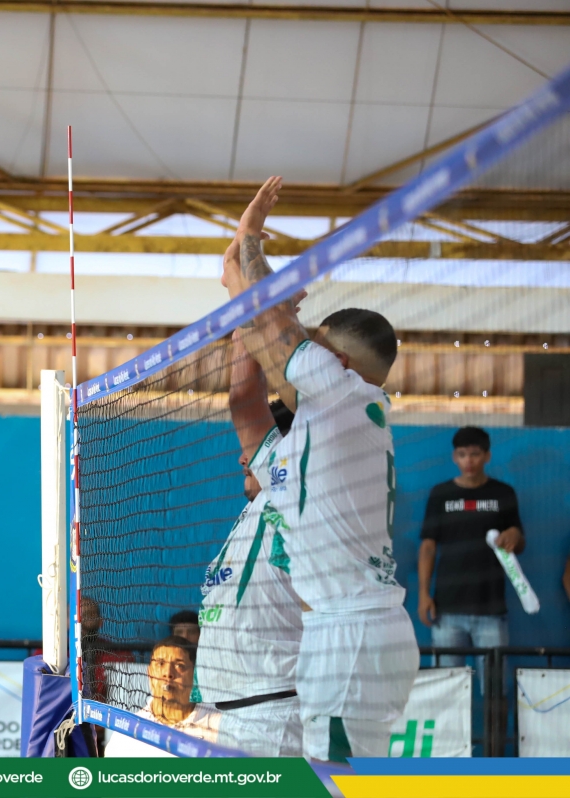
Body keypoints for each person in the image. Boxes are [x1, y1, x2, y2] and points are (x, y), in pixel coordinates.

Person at [221, 177, 418, 762]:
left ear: (336, 360)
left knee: (335, 782)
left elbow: (276, 334)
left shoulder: (347, 395)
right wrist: (241, 293)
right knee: (333, 776)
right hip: (348, 630)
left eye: (315, 341)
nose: (303, 343)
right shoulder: (323, 431)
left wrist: (250, 240)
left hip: (350, 632)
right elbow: (247, 396)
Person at [195, 331, 303, 757]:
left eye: (255, 449)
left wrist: (248, 329)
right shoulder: (253, 512)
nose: (243, 457)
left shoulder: (290, 492)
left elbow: (243, 399)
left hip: (269, 716)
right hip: (226, 713)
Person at [419, 427, 524, 678]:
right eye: (462, 454)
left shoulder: (503, 493)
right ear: (454, 457)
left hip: (491, 609)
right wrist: (423, 594)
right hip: (447, 608)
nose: (469, 461)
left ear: (487, 456)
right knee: (446, 686)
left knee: (494, 687)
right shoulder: (441, 494)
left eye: (475, 454)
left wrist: (514, 536)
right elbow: (428, 546)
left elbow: (519, 544)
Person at [104, 636, 220, 757]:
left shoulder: (220, 727)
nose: (168, 673)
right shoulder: (126, 734)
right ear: (149, 673)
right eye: (160, 664)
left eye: (179, 665)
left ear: (195, 675)